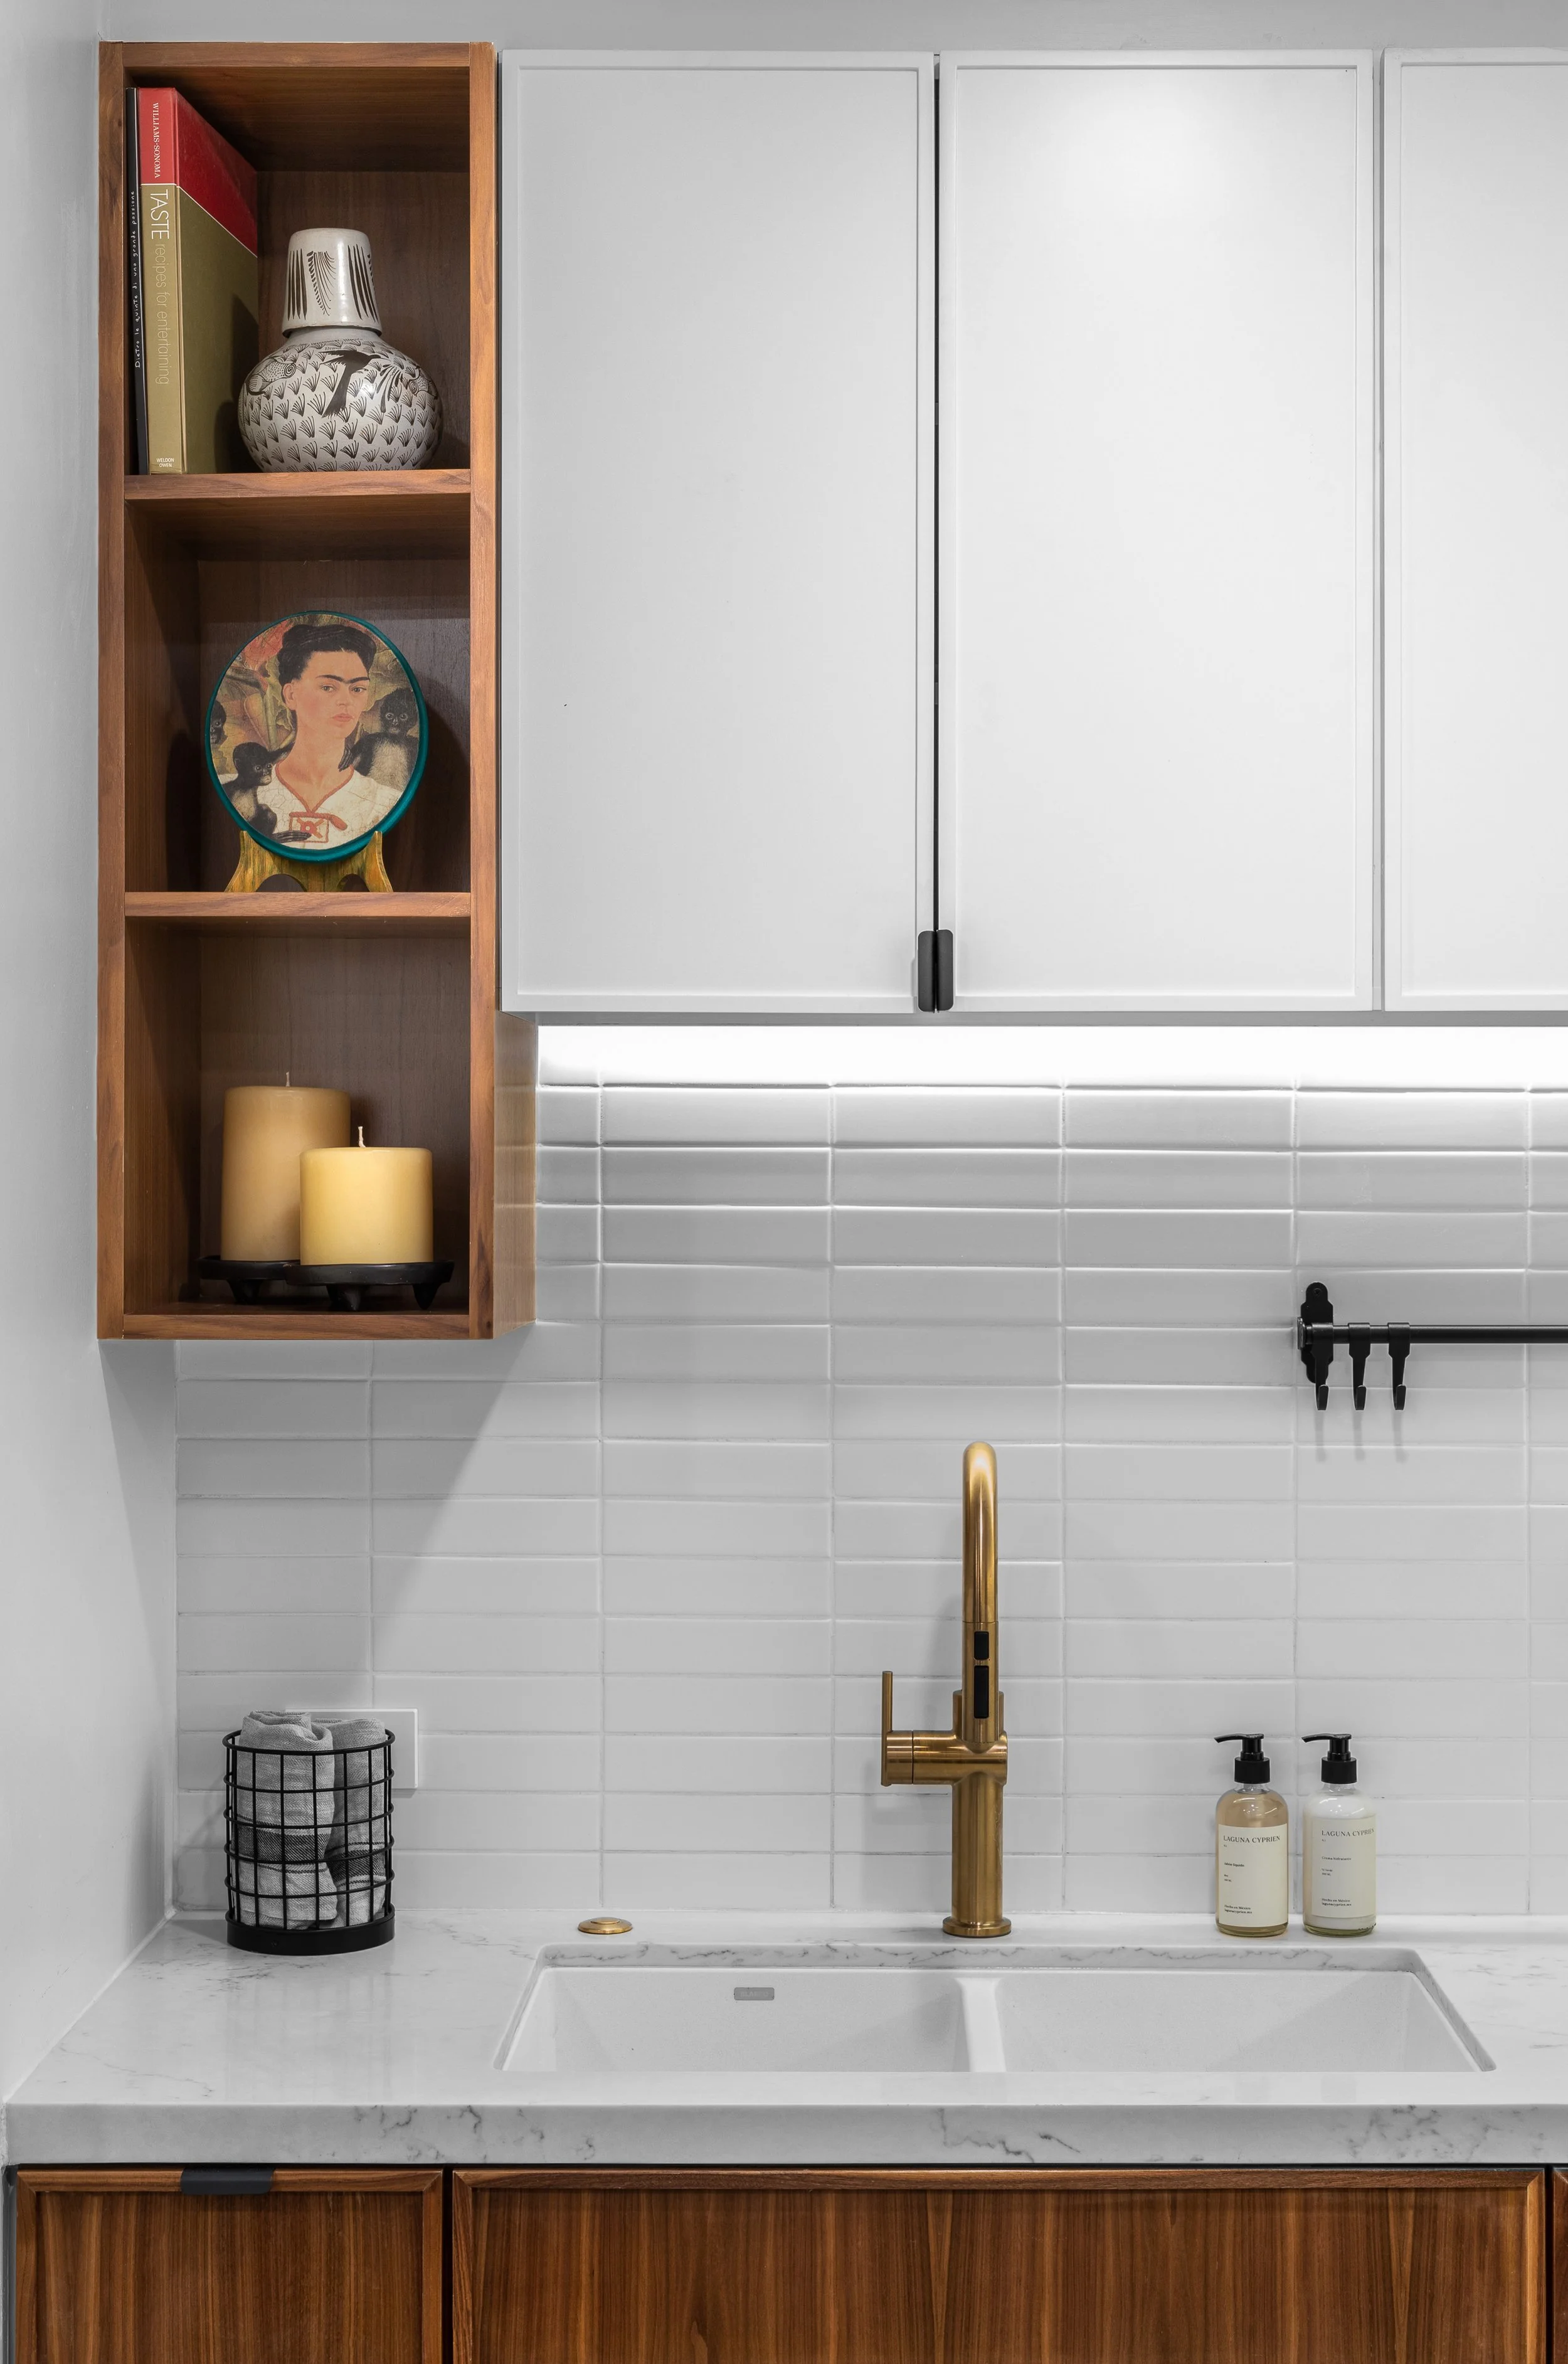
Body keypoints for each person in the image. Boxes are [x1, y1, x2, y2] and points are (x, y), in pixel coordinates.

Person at [221, 619, 396, 849]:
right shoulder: (234, 792)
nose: (347, 701)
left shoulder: (383, 802)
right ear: (291, 695)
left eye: (357, 689)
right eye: (328, 687)